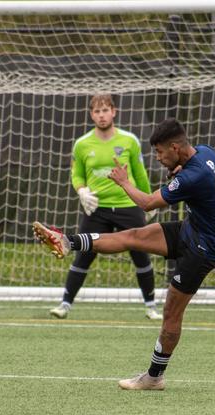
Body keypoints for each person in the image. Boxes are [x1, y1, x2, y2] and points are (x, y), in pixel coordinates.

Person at [33, 118, 215, 390]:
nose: (157, 158)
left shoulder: (191, 177)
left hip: (203, 248)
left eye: (160, 152)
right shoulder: (206, 153)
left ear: (175, 147)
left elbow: (147, 203)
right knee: (133, 236)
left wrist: (124, 182)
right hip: (192, 229)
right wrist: (183, 171)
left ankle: (154, 377)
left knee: (171, 313)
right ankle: (68, 242)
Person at [48, 94, 161, 321]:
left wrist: (149, 201)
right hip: (97, 209)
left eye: (105, 110)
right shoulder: (82, 144)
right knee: (83, 256)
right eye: (97, 111)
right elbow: (77, 175)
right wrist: (82, 191)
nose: (102, 115)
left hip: (128, 206)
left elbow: (140, 174)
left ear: (114, 112)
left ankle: (151, 307)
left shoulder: (129, 140)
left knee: (141, 255)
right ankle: (65, 305)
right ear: (92, 115)